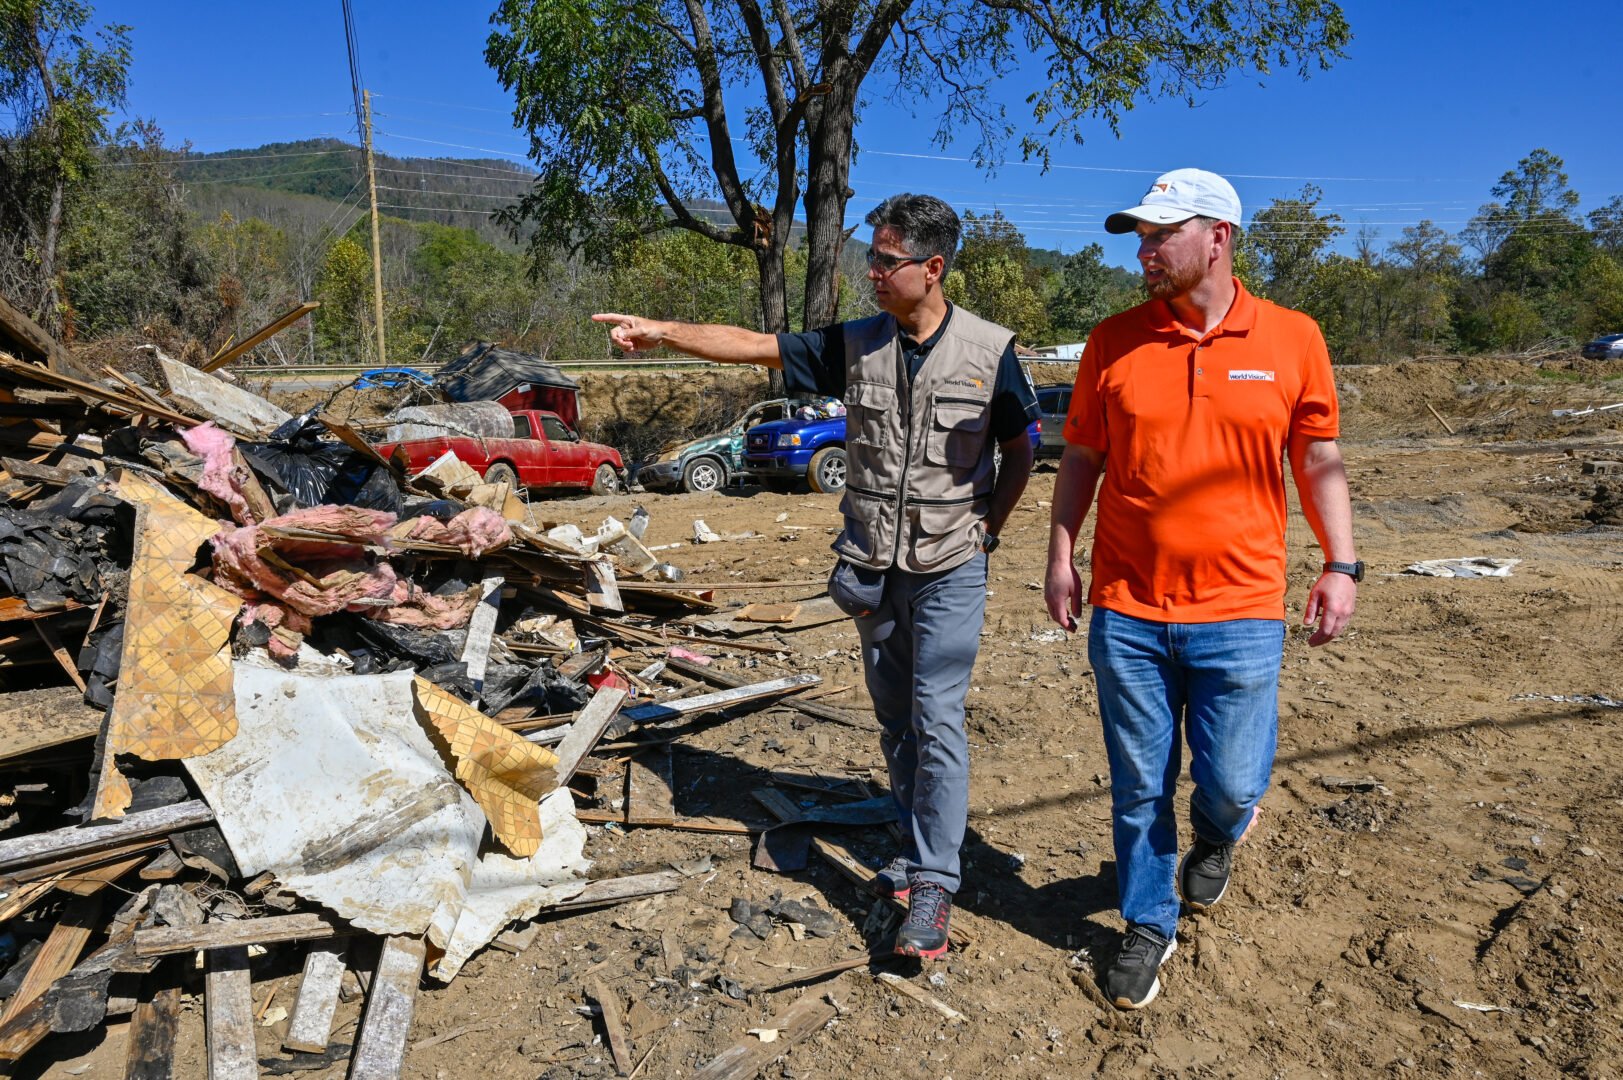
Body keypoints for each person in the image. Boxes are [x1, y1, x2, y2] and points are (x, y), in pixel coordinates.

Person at [596, 193, 1039, 960]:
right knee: (896, 719)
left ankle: (933, 878)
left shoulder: (989, 350)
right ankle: (910, 838)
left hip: (947, 566)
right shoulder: (855, 343)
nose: (870, 271)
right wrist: (662, 329)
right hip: (871, 567)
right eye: (869, 256)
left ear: (932, 270)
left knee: (936, 717)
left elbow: (1021, 445)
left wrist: (987, 529)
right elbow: (751, 344)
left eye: (886, 260)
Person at [1043, 169, 1359, 1009]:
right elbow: (1081, 457)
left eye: (1160, 236)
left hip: (1243, 607)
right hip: (1127, 607)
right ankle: (1147, 922)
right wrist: (1060, 551)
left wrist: (1340, 562)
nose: (1143, 252)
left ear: (1217, 236)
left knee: (1227, 782)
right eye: (1138, 239)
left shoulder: (1292, 338)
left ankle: (1218, 833)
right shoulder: (1112, 340)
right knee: (1139, 781)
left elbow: (1317, 457)